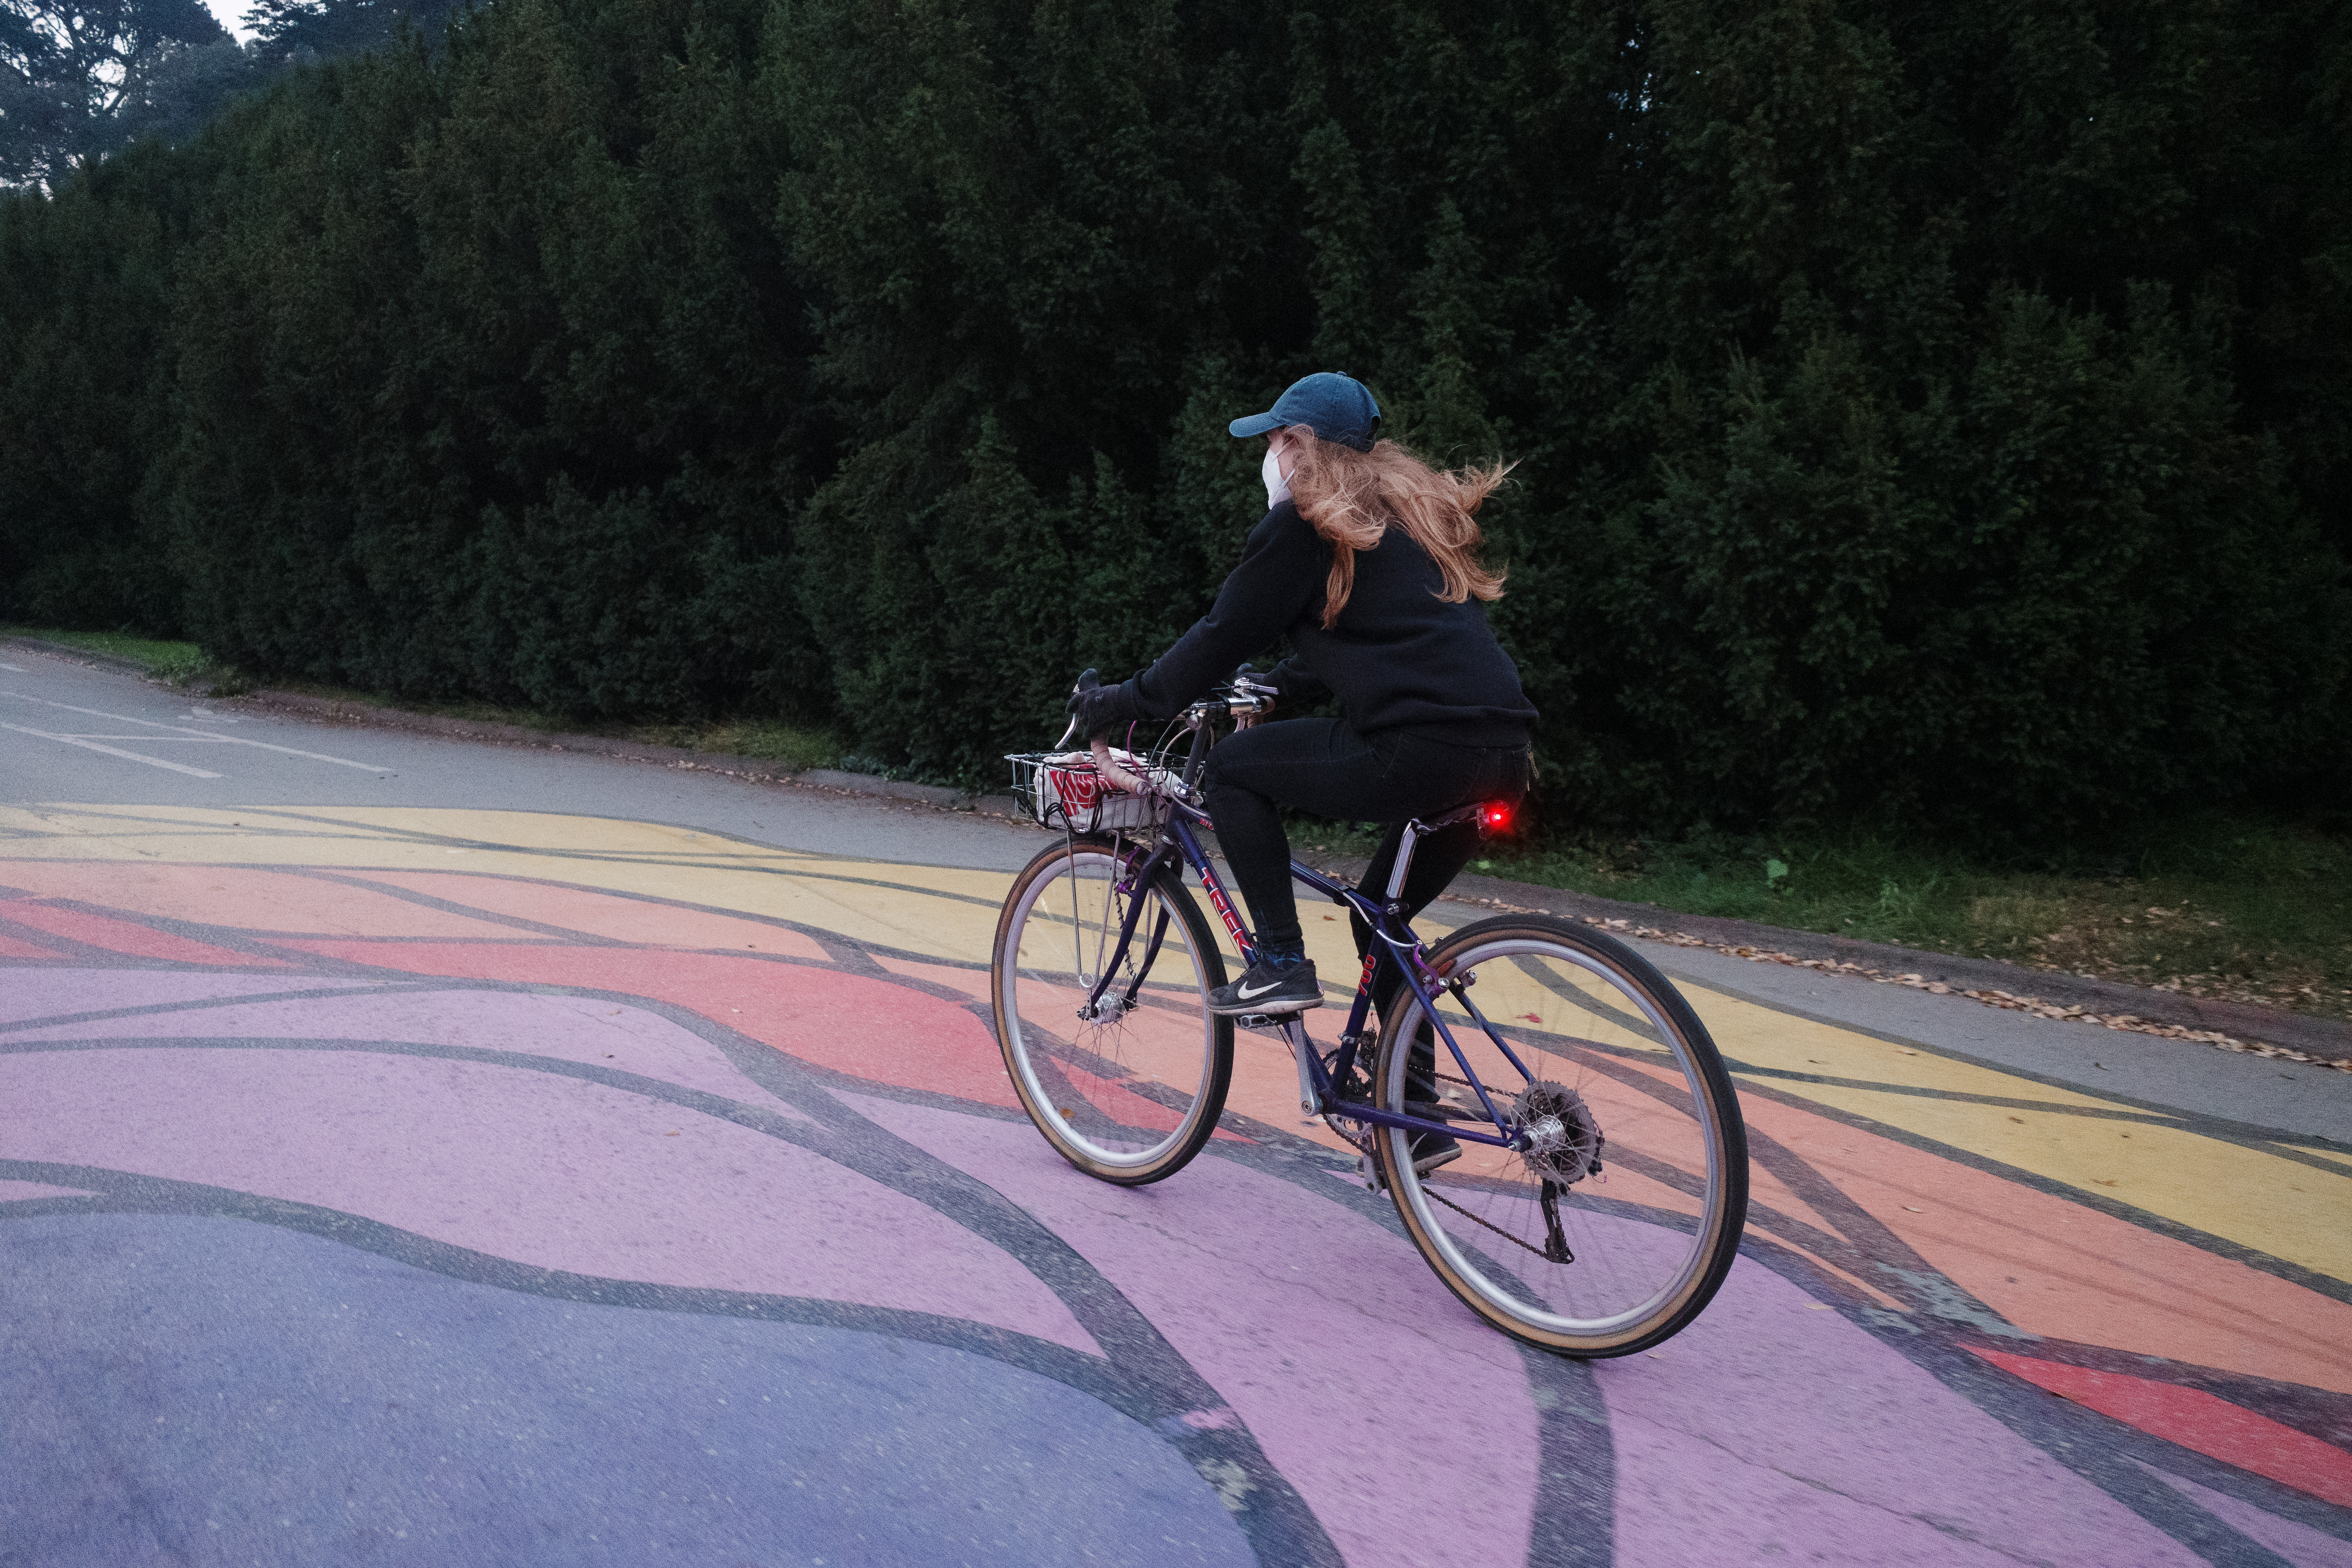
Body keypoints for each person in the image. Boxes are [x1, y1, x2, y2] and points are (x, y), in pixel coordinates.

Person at [1068, 372, 1537, 1152]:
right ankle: (1416, 1126)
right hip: (1501, 753)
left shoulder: (1303, 529)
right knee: (1381, 919)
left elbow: (1220, 635)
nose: (1270, 456)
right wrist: (1283, 687)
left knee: (1236, 770)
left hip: (1418, 750)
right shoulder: (1398, 523)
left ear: (1302, 447)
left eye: (1277, 440)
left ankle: (1281, 961)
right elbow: (1386, 643)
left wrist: (1125, 699)